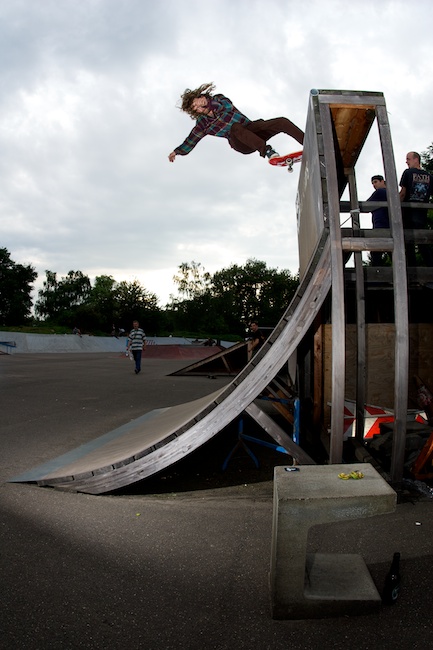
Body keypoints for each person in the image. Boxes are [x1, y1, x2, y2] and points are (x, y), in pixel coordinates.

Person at [168, 83, 304, 165]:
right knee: (235, 128)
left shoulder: (219, 99)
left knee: (281, 122)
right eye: (195, 109)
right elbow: (191, 139)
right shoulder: (202, 124)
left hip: (252, 131)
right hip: (240, 144)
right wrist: (177, 151)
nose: (199, 108)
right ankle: (268, 151)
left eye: (197, 104)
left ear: (201, 97)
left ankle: (307, 141)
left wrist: (209, 104)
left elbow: (227, 106)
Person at [399, 151, 433, 267]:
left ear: (416, 159)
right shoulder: (430, 177)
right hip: (421, 215)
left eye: (408, 159)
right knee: (423, 243)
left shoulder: (408, 173)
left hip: (408, 214)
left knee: (409, 244)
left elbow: (403, 193)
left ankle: (412, 272)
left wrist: (396, 207)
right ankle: (430, 268)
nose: (406, 162)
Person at [367, 175, 389, 266]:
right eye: (372, 183)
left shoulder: (380, 192)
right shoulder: (391, 193)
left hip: (380, 225)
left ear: (382, 181)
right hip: (390, 225)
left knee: (375, 252)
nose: (374, 185)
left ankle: (377, 273)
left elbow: (366, 206)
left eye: (375, 182)